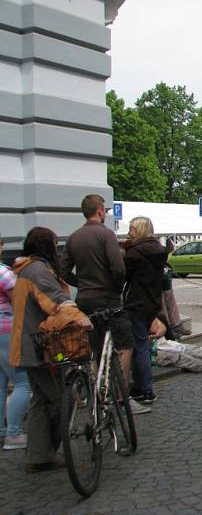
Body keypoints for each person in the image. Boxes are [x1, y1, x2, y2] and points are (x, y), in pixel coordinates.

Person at [10, 227, 93, 472]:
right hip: (38, 345)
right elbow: (55, 300)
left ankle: (37, 457)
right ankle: (45, 454)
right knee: (62, 398)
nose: (58, 247)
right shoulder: (37, 270)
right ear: (46, 245)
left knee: (40, 400)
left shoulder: (29, 268)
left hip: (29, 343)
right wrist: (80, 317)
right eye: (55, 243)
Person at [61, 195, 143, 412]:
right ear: (99, 211)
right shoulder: (106, 235)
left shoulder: (74, 237)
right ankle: (120, 394)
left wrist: (79, 283)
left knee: (93, 347)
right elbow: (118, 268)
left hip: (85, 299)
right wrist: (116, 288)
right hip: (108, 299)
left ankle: (96, 391)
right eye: (104, 211)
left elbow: (63, 270)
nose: (106, 214)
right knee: (126, 343)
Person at [123, 217, 167, 405]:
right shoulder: (159, 250)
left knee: (139, 346)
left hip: (136, 302)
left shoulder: (134, 253)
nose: (129, 232)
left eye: (132, 229)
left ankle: (145, 389)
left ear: (139, 230)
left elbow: (125, 276)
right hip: (151, 302)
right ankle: (143, 387)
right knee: (143, 346)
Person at [1, 234, 31, 450]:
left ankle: (2, 432)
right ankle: (13, 433)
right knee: (23, 383)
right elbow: (17, 298)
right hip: (6, 329)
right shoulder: (3, 272)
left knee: (1, 383)